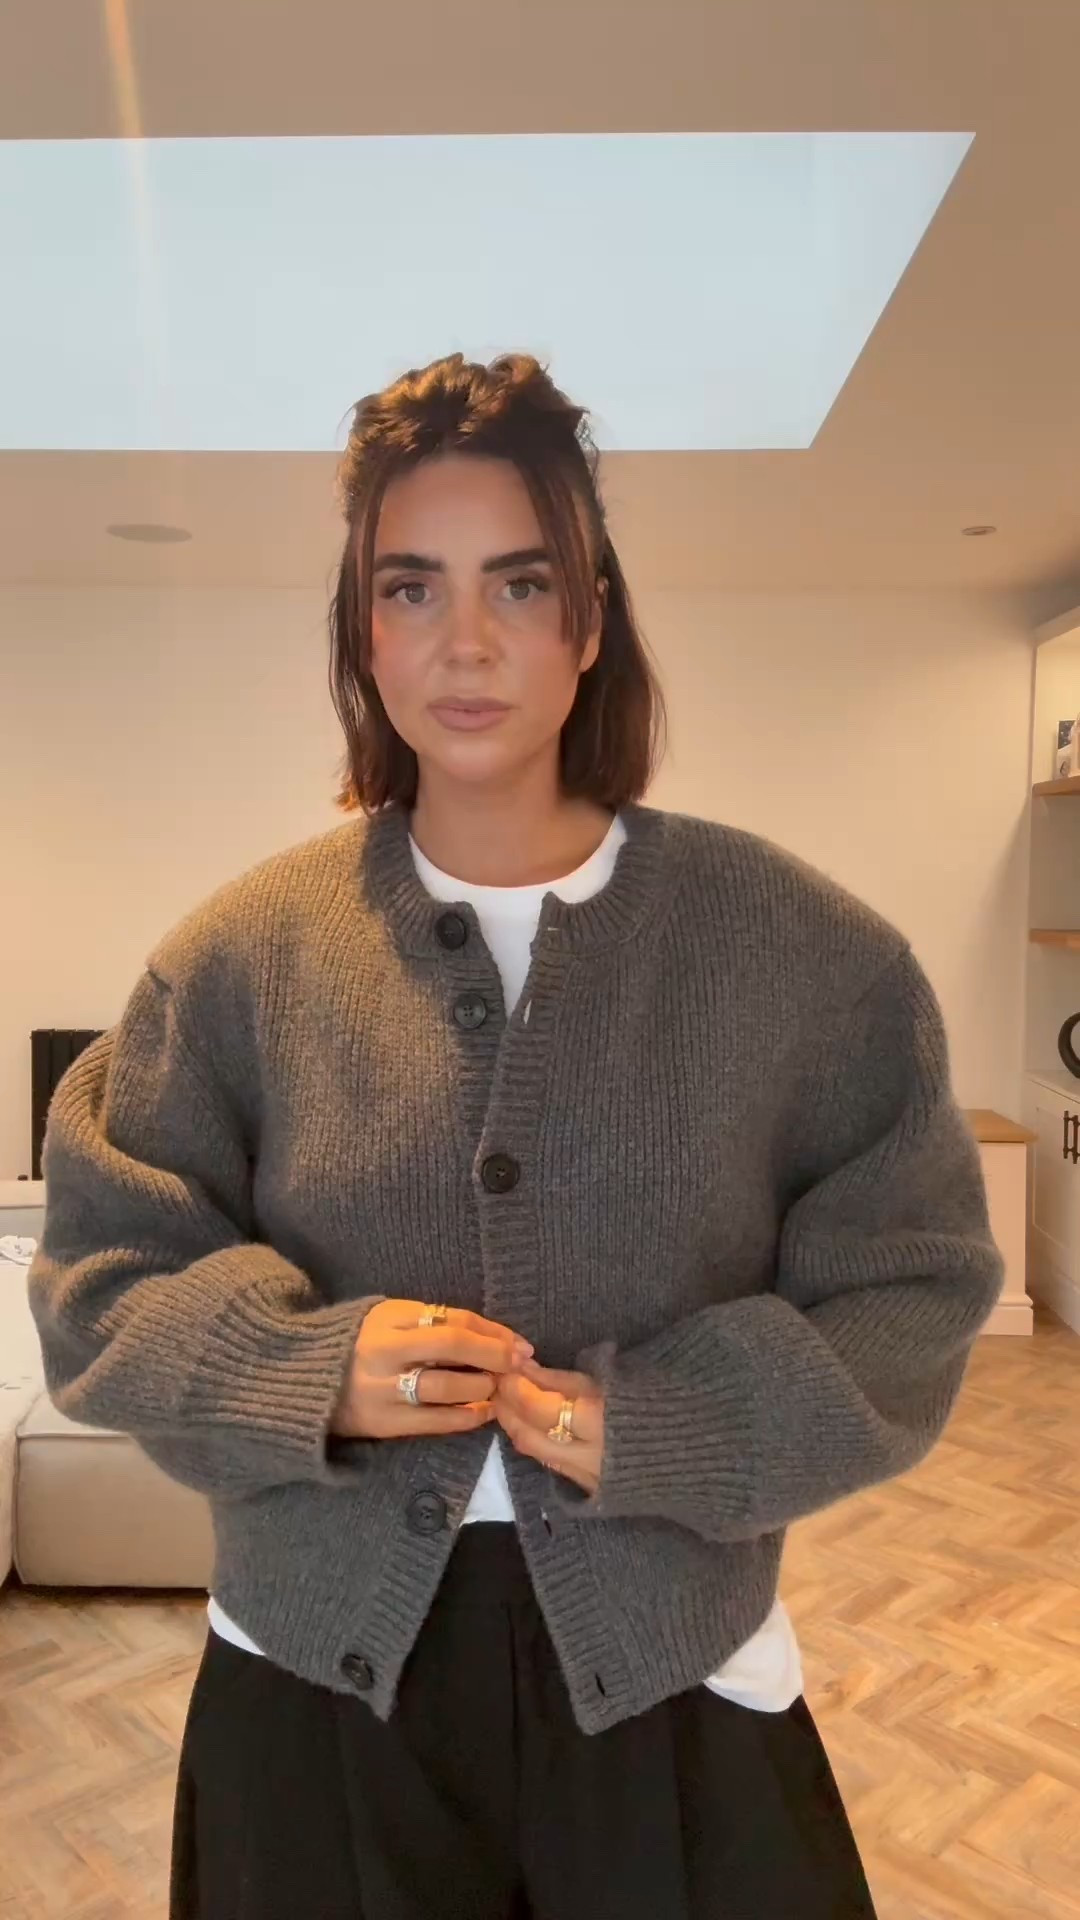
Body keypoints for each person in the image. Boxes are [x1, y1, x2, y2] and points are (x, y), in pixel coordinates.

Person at [30, 352, 1003, 1920]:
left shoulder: (805, 955)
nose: (465, 641)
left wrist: (680, 1423)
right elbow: (101, 1278)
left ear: (591, 621)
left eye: (521, 583)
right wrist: (300, 1370)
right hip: (315, 1683)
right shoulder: (236, 961)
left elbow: (915, 1286)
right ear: (363, 630)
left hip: (676, 1671)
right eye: (411, 588)